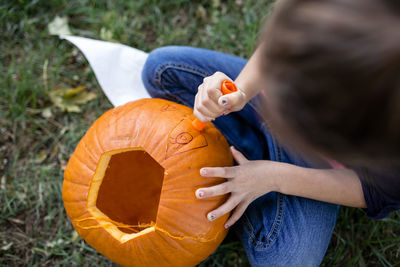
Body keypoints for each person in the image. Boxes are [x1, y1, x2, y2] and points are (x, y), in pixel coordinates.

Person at [141, 0, 400, 265]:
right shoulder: (339, 14)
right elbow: (281, 44)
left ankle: (252, 175)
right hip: (284, 104)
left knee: (286, 261)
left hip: (319, 168)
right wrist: (237, 93)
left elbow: (378, 190)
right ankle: (250, 160)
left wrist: (275, 177)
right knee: (161, 70)